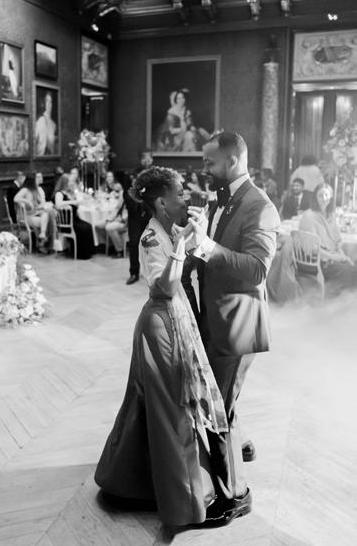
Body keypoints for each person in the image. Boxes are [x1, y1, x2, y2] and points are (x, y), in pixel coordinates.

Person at [95, 166, 249, 529]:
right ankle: (182, 498)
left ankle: (134, 477)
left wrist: (194, 236)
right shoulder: (152, 237)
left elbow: (187, 264)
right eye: (180, 192)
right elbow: (162, 287)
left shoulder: (167, 230)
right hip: (161, 327)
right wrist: (181, 247)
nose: (187, 196)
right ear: (162, 202)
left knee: (155, 405)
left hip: (176, 318)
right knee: (171, 410)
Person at [188, 132, 280, 478]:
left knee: (218, 410)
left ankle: (232, 493)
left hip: (238, 323)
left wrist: (207, 246)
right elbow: (210, 253)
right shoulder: (218, 199)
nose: (204, 169)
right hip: (214, 315)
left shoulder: (260, 207)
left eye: (209, 163)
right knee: (221, 396)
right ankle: (241, 446)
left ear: (232, 161)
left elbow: (256, 270)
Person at [299, 183, 357, 295]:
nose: (324, 198)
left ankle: (343, 299)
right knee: (352, 271)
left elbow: (337, 242)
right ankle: (338, 300)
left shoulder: (331, 215)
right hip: (317, 262)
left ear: (331, 197)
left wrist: (343, 257)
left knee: (352, 265)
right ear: (315, 197)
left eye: (326, 195)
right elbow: (313, 248)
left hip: (331, 258)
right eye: (320, 195)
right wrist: (336, 257)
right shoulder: (309, 216)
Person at [124, 149, 154, 284]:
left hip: (151, 214)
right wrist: (135, 204)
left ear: (152, 159)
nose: (146, 161)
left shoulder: (156, 174)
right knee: (134, 243)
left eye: (148, 158)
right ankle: (134, 272)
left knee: (153, 243)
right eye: (144, 158)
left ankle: (153, 272)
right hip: (135, 214)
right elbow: (126, 193)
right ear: (140, 160)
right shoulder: (132, 174)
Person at [53, 173, 94, 259]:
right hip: (66, 223)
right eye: (70, 182)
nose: (71, 183)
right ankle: (81, 254)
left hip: (74, 219)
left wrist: (77, 202)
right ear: (65, 183)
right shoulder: (59, 193)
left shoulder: (69, 193)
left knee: (89, 226)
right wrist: (72, 202)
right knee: (83, 229)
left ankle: (88, 252)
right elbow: (58, 204)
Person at [14, 172, 57, 252]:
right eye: (36, 179)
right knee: (47, 221)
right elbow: (16, 199)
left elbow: (39, 204)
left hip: (35, 213)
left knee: (47, 214)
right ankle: (43, 245)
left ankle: (42, 235)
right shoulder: (25, 189)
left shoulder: (35, 190)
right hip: (26, 217)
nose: (38, 180)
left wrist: (44, 205)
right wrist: (27, 201)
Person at [35, 91, 57, 156]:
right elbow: (33, 142)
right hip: (39, 158)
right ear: (44, 103)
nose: (49, 104)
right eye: (47, 101)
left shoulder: (53, 125)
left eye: (50, 102)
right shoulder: (40, 121)